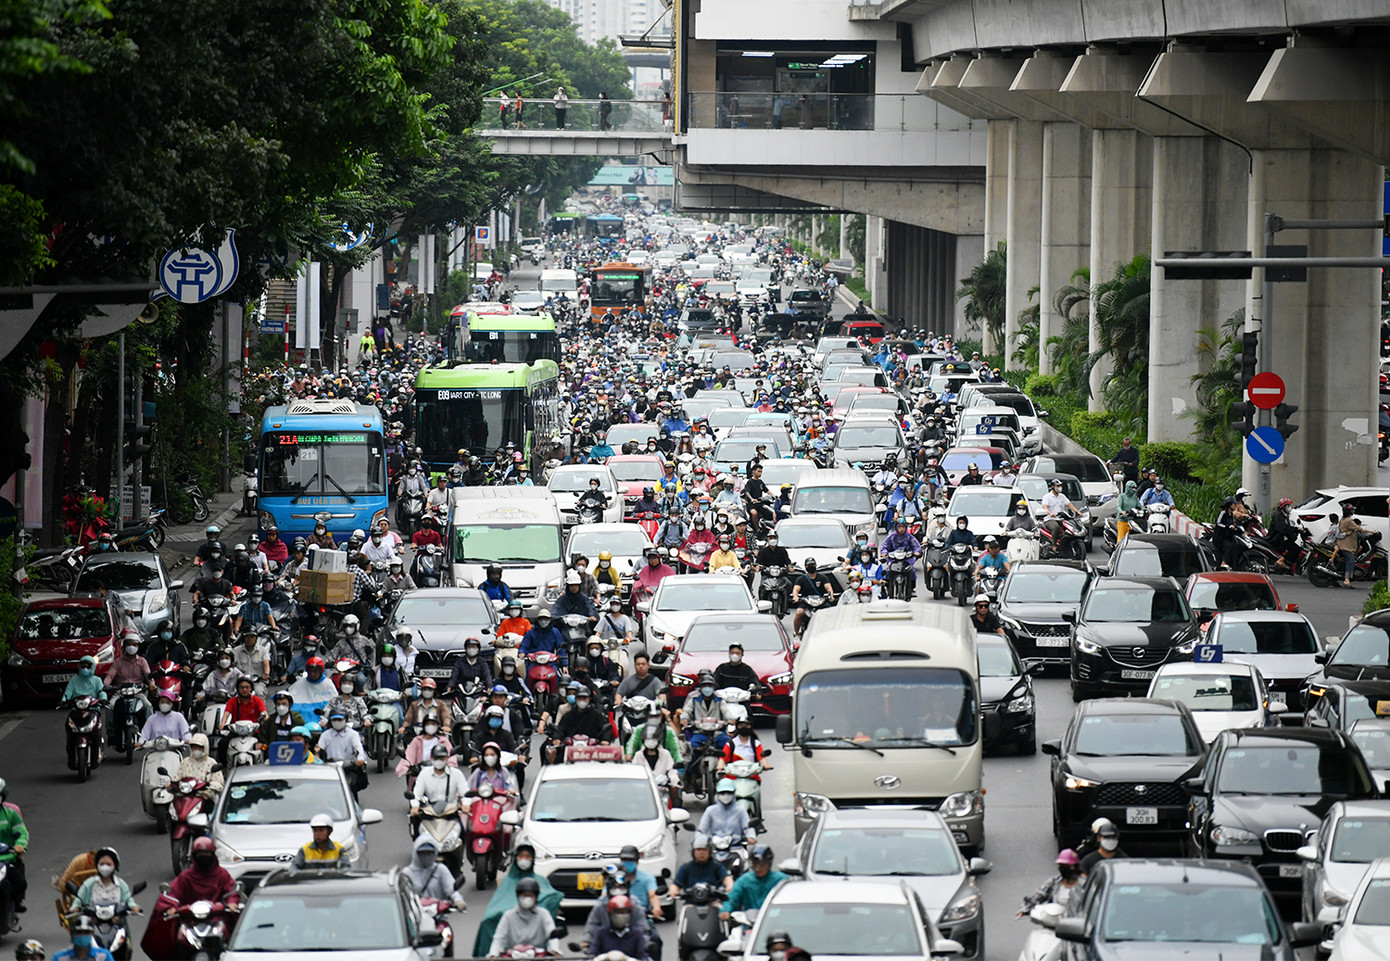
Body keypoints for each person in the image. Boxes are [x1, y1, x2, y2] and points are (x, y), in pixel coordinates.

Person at [166, 837, 239, 916]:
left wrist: (232, 903)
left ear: (213, 855)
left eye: (206, 853)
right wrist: (172, 906)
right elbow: (173, 893)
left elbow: (231, 890)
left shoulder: (222, 874)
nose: (203, 856)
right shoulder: (186, 876)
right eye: (200, 854)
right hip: (189, 918)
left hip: (217, 917)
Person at [487, 877, 560, 956]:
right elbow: (499, 938)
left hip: (538, 956)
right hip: (513, 956)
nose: (527, 898)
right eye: (524, 895)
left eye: (531, 895)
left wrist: (554, 950)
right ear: (518, 896)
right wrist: (493, 955)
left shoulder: (543, 914)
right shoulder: (508, 915)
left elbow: (552, 935)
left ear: (536, 897)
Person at [721, 845, 788, 920]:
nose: (758, 868)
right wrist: (725, 910)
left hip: (774, 921)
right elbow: (732, 898)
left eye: (762, 865)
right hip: (749, 923)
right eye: (755, 864)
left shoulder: (781, 880)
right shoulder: (744, 880)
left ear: (769, 864)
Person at [73, 847, 141, 919]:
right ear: (97, 865)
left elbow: (128, 899)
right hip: (93, 923)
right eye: (102, 864)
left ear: (115, 866)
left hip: (117, 923)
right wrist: (75, 908)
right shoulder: (89, 884)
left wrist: (134, 907)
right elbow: (79, 899)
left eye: (108, 864)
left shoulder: (121, 885)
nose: (105, 867)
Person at [402, 836, 467, 911]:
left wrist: (458, 901)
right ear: (416, 853)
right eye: (422, 853)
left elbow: (451, 890)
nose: (426, 857)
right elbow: (403, 896)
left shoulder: (440, 870)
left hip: (439, 914)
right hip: (417, 916)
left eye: (430, 853)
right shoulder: (407, 873)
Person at [1017, 849, 1085, 916]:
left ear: (1075, 866)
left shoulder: (1085, 884)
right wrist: (1026, 908)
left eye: (1067, 866)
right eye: (1061, 865)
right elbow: (1039, 895)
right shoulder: (1054, 882)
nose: (1063, 868)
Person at [318, 708, 368, 794]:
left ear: (345, 720)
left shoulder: (353, 734)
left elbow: (359, 750)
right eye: (334, 719)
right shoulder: (325, 735)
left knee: (352, 787)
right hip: (330, 768)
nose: (337, 721)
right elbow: (319, 750)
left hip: (348, 767)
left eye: (340, 719)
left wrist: (360, 760)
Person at [669, 836, 733, 900]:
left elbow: (726, 878)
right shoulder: (686, 867)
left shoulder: (717, 866)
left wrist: (730, 886)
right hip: (691, 903)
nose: (701, 852)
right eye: (698, 849)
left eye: (704, 849)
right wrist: (673, 890)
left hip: (713, 901)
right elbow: (676, 884)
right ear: (693, 851)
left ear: (709, 851)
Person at [411, 743, 467, 816]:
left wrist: (466, 805)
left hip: (451, 812)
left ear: (447, 758)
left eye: (442, 758)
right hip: (430, 813)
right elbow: (417, 794)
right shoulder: (424, 774)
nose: (439, 761)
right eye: (436, 758)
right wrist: (415, 806)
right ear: (431, 758)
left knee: (463, 826)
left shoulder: (457, 774)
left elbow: (465, 793)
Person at [697, 777, 755, 846]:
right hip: (715, 848)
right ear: (718, 793)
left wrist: (751, 837)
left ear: (734, 793)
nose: (726, 795)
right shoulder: (710, 811)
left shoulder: (741, 811)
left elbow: (748, 827)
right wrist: (699, 839)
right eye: (722, 793)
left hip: (736, 847)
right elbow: (702, 829)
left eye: (729, 793)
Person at [589, 893, 648, 959]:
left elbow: (642, 955)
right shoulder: (602, 933)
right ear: (610, 914)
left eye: (624, 912)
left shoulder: (636, 934)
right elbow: (593, 953)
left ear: (630, 914)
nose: (620, 916)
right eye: (617, 912)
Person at [0, 780, 28, 914]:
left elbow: (22, 832)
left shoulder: (11, 814)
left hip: (7, 858)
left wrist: (20, 845)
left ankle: (17, 901)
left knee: (20, 883)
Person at [1337, 501, 1367, 587]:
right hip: (1345, 545)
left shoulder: (1343, 519)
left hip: (1344, 544)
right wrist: (1371, 532)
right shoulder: (1349, 521)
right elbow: (1359, 529)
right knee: (1350, 561)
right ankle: (1346, 580)